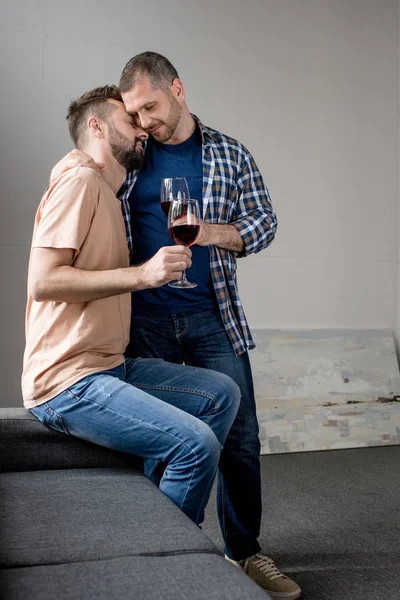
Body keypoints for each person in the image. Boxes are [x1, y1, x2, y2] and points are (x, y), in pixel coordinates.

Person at [51, 53, 301, 599]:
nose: (143, 121)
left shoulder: (230, 152)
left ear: (178, 90)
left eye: (150, 106)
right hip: (141, 321)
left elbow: (264, 224)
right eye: (134, 112)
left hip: (214, 317)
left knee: (240, 438)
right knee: (153, 442)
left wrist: (212, 232)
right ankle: (155, 556)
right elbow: (84, 172)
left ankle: (246, 551)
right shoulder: (130, 154)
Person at [22, 85, 241, 527]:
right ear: (96, 126)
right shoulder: (79, 181)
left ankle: (153, 519)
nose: (141, 128)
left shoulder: (105, 188)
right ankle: (162, 553)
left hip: (108, 366)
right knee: (195, 445)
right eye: (129, 121)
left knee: (222, 393)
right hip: (68, 381)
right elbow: (43, 282)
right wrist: (144, 275)